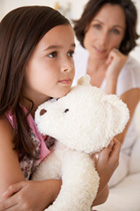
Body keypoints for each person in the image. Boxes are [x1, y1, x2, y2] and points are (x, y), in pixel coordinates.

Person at [0, 5, 121, 210]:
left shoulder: (66, 113)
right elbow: (14, 203)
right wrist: (56, 189)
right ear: (18, 59)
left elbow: (101, 196)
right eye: (52, 54)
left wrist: (102, 174)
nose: (68, 65)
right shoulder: (4, 125)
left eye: (70, 53)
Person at [73, 0, 140, 187]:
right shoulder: (73, 56)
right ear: (86, 24)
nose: (103, 40)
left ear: (124, 37)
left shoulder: (132, 73)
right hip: (73, 145)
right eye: (97, 26)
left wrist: (112, 77)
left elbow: (111, 145)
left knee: (87, 176)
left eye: (115, 31)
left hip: (113, 155)